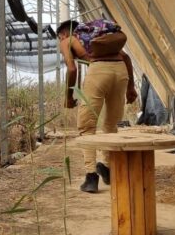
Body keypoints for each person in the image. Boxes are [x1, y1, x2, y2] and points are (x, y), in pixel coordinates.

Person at [57, 19, 137, 193]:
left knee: (87, 127)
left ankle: (91, 177)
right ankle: (106, 166)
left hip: (98, 72)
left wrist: (69, 97)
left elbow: (71, 69)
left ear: (62, 34)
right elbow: (126, 57)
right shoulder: (101, 37)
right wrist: (131, 88)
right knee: (110, 125)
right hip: (120, 72)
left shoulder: (67, 40)